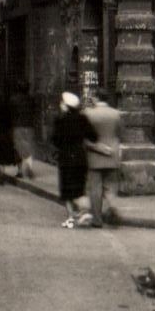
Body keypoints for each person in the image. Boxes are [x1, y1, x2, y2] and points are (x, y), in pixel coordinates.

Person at [50, 91, 98, 226]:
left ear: (66, 106)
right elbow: (93, 137)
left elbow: (55, 140)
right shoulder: (82, 119)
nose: (60, 105)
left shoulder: (60, 120)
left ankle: (71, 217)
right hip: (80, 157)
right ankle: (85, 212)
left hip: (65, 157)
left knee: (66, 189)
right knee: (80, 187)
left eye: (62, 103)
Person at [83, 88, 123, 227]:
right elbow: (120, 134)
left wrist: (98, 147)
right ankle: (112, 210)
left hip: (94, 157)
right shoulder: (116, 114)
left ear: (96, 98)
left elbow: (84, 137)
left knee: (95, 189)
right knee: (110, 187)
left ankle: (97, 219)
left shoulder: (88, 114)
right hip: (113, 154)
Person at [10, 78, 37, 179]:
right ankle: (29, 166)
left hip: (17, 126)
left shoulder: (13, 99)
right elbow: (34, 111)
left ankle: (20, 170)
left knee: (17, 148)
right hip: (29, 125)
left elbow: (11, 113)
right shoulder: (31, 99)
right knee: (28, 146)